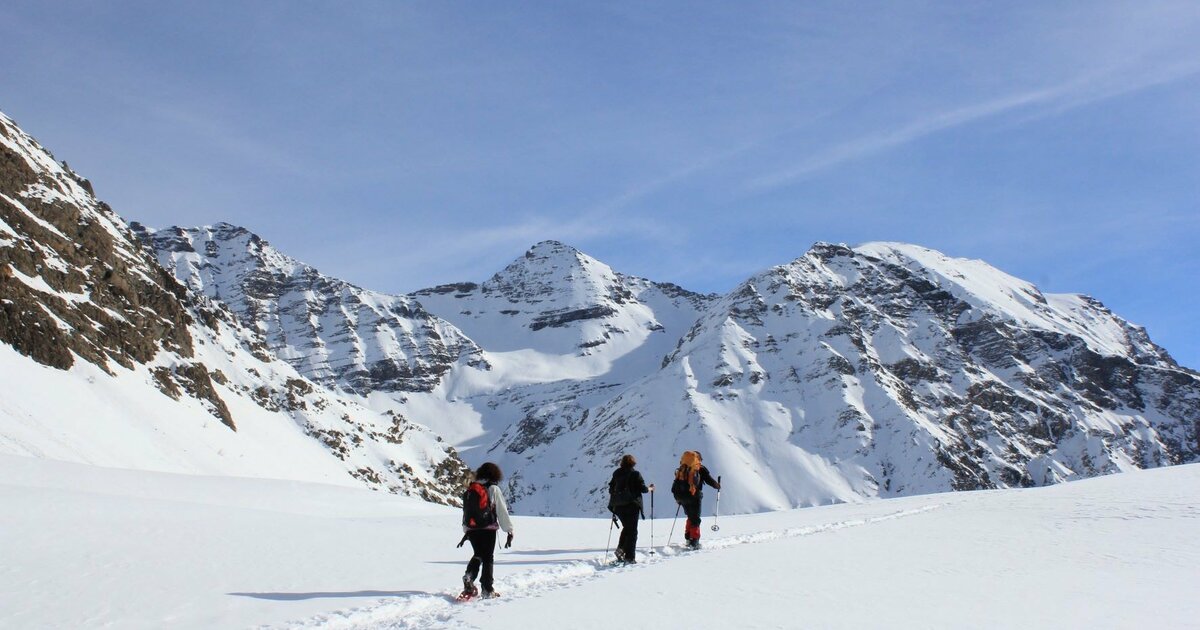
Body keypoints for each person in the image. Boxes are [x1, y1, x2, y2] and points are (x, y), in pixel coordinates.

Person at [460, 462, 514, 599]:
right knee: (488, 557)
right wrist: (509, 530)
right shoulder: (493, 489)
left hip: (471, 529)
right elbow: (502, 511)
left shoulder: (471, 490)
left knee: (478, 554)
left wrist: (466, 530)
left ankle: (469, 575)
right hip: (488, 529)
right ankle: (487, 589)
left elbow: (466, 512)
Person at [608, 454, 653, 564]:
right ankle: (630, 557)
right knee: (632, 531)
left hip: (618, 506)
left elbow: (611, 488)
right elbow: (643, 489)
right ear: (633, 463)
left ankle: (621, 550)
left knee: (627, 528)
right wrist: (650, 488)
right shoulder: (635, 474)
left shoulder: (616, 473)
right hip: (631, 505)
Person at [672, 450, 720, 549]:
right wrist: (717, 486)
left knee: (690, 516)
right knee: (696, 519)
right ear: (698, 459)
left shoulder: (682, 468)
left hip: (681, 497)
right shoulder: (700, 469)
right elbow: (710, 480)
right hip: (694, 496)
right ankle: (694, 541)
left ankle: (688, 538)